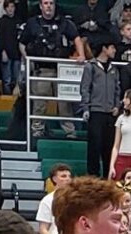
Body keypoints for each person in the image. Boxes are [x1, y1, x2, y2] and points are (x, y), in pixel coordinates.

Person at [20, 0, 84, 138]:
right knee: (39, 102)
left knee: (64, 103)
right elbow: (22, 43)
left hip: (62, 68)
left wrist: (81, 55)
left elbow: (77, 38)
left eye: (51, 3)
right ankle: (37, 130)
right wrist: (28, 59)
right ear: (40, 6)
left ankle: (70, 131)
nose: (48, 6)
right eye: (45, 3)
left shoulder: (64, 22)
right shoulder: (33, 23)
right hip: (42, 68)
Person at [80, 40, 120, 178]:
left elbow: (117, 89)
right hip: (95, 111)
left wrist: (117, 106)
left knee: (109, 147)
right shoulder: (90, 66)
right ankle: (93, 176)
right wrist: (86, 107)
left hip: (110, 113)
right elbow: (85, 88)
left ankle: (108, 177)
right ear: (104, 48)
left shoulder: (114, 69)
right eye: (112, 47)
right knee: (94, 146)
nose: (114, 50)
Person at [36, 163, 72, 234]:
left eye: (69, 176)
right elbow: (43, 229)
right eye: (63, 176)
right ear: (54, 179)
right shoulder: (47, 200)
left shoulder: (76, 199)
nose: (68, 179)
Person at [0, 0, 21, 94]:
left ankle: (15, 98)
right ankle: (7, 97)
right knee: (7, 79)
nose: (10, 9)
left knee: (16, 79)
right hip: (6, 52)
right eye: (8, 7)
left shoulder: (19, 22)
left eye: (12, 6)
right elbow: (0, 38)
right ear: (5, 9)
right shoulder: (1, 21)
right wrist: (3, 51)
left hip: (17, 54)